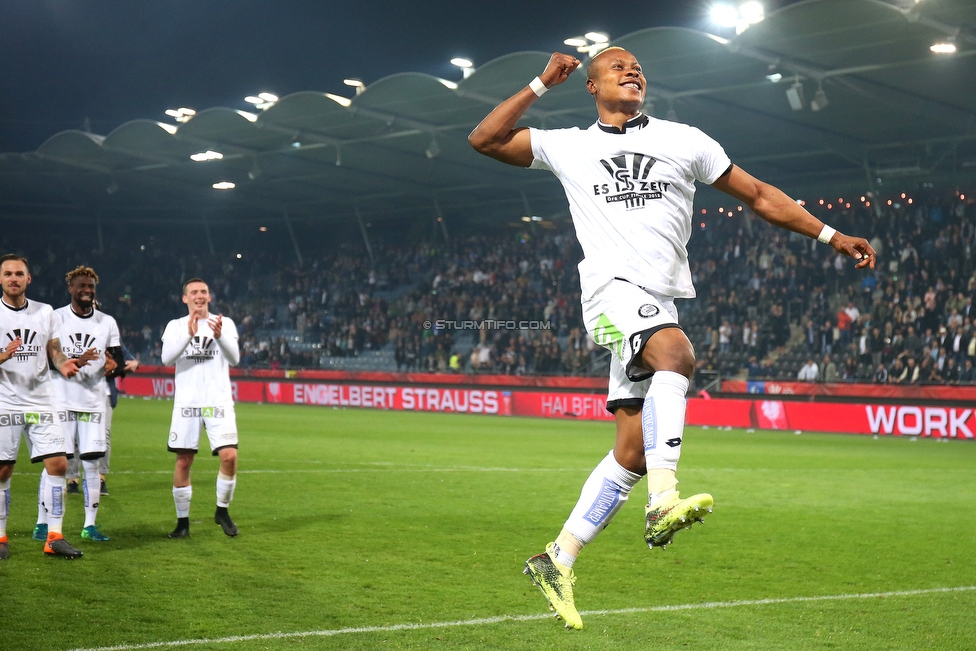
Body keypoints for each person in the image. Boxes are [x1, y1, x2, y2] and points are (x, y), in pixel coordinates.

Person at [468, 47, 876, 629]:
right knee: (678, 355)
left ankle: (557, 558)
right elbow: (484, 139)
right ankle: (663, 502)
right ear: (590, 86)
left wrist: (831, 234)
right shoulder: (568, 146)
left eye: (638, 66)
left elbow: (760, 195)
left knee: (632, 449)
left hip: (656, 298)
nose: (632, 70)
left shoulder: (686, 140)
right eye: (616, 66)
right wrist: (538, 83)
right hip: (608, 292)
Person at [0, 254, 91, 559]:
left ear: (29, 279)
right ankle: (0, 537)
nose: (14, 278)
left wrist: (65, 364)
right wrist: (3, 356)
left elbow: (55, 350)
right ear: (1, 279)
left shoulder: (45, 312)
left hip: (41, 399)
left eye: (19, 274)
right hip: (6, 402)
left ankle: (54, 536)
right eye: (8, 274)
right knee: (3, 471)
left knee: (59, 465)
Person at [36, 266, 122, 544]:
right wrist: (70, 363)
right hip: (60, 400)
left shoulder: (107, 322)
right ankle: (42, 522)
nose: (87, 290)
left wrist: (112, 366)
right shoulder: (56, 318)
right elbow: (49, 356)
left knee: (91, 465)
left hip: (94, 402)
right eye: (81, 286)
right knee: (55, 462)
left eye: (91, 286)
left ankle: (90, 525)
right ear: (71, 289)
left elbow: (116, 361)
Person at [160, 279, 241, 539]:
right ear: (185, 298)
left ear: (210, 296)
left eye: (203, 292)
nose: (199, 296)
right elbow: (166, 358)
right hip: (187, 403)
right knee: (184, 460)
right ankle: (182, 523)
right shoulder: (175, 326)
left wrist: (219, 337)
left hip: (218, 402)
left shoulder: (224, 323)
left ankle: (222, 510)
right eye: (194, 292)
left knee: (230, 457)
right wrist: (188, 333)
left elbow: (235, 358)